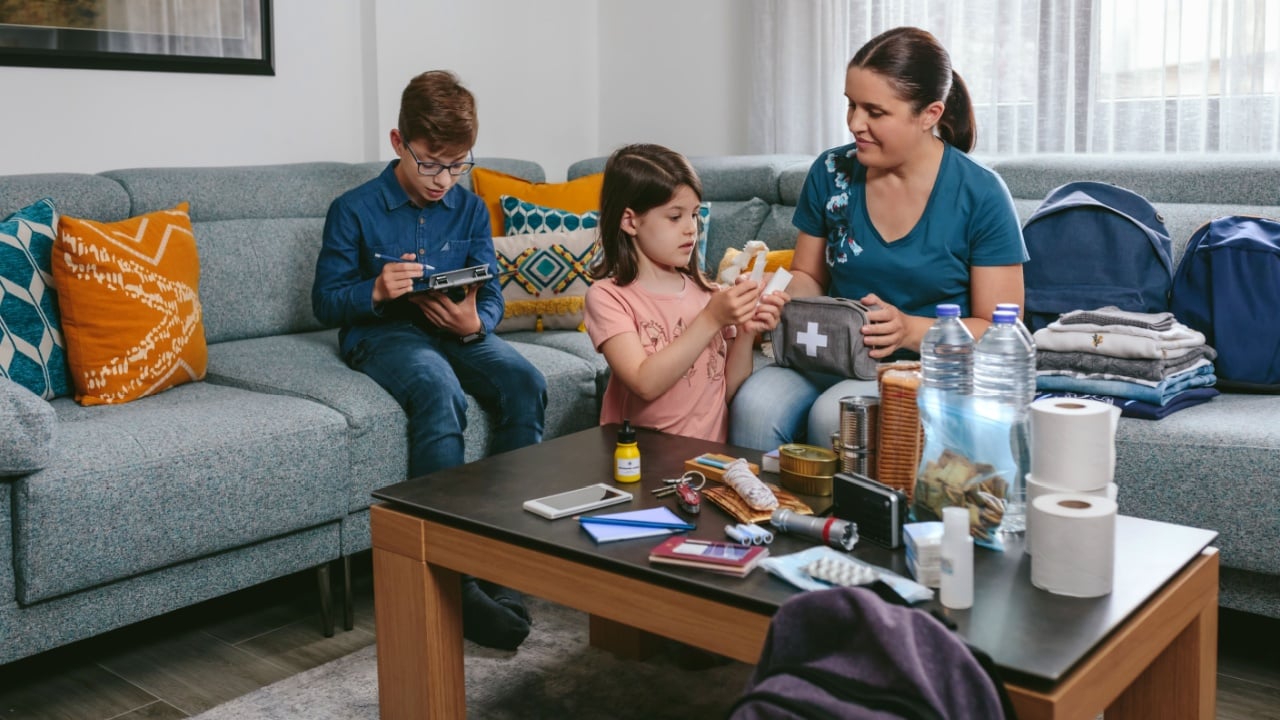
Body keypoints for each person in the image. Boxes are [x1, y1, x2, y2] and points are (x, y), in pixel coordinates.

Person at [312, 70, 544, 650]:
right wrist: (375, 290)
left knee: (525, 381)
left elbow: (490, 290)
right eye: (431, 164)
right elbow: (324, 301)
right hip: (386, 336)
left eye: (458, 164)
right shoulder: (353, 209)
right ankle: (451, 573)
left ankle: (504, 556)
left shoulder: (469, 209)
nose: (445, 179)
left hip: (456, 329)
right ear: (398, 143)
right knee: (438, 390)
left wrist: (479, 321)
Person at [730, 26, 1028, 451]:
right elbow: (808, 277)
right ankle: (758, 516)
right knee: (754, 406)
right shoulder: (831, 171)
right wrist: (772, 292)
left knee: (835, 415)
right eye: (851, 105)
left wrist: (908, 330)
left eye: (875, 111)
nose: (855, 124)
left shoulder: (980, 193)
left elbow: (1000, 329)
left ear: (930, 114)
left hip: (923, 364)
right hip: (832, 352)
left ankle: (844, 521)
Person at [583, 143, 788, 443]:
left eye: (694, 215)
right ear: (630, 221)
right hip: (640, 459)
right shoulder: (608, 298)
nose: (691, 229)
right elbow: (644, 383)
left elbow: (726, 392)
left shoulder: (707, 293)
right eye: (675, 216)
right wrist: (711, 319)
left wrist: (745, 331)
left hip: (706, 461)